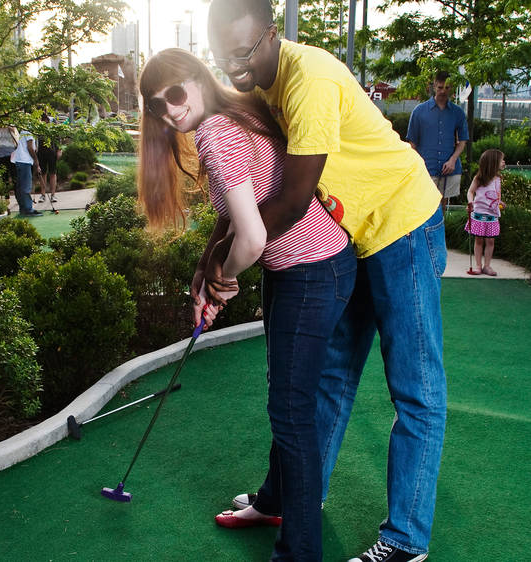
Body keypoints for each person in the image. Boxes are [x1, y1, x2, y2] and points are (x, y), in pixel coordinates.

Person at [205, 2, 447, 561]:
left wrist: (225, 266)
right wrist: (211, 256)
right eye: (222, 56)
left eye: (243, 53)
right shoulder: (261, 85)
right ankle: (288, 498)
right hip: (350, 236)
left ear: (271, 35)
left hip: (400, 223)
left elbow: (289, 202)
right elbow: (250, 187)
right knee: (330, 378)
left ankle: (407, 540)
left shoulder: (307, 78)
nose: (234, 67)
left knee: (415, 389)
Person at [138, 48, 356, 562]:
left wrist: (224, 277)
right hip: (311, 265)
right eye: (154, 106)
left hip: (310, 270)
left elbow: (253, 237)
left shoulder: (215, 132)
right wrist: (206, 266)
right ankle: (274, 501)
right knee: (287, 401)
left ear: (195, 79)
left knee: (291, 411)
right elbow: (241, 208)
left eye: (173, 94)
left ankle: (298, 553)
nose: (168, 111)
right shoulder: (235, 114)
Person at [407, 71, 469, 213]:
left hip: (449, 168)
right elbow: (412, 143)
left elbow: (462, 140)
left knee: (442, 208)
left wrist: (453, 160)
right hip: (427, 167)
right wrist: (420, 164)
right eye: (440, 87)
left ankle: (441, 234)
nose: (443, 91)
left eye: (446, 88)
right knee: (424, 208)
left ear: (451, 88)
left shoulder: (457, 113)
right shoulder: (419, 111)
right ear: (434, 87)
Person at [465, 149, 505, 276]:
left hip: (492, 215)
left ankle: (487, 266)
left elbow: (494, 195)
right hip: (479, 214)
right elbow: (470, 192)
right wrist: (470, 202)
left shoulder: (498, 179)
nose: (504, 162)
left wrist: (499, 201)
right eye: (501, 160)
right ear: (493, 163)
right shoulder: (479, 178)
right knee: (479, 240)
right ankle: (478, 265)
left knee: (490, 241)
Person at [12, 129, 43, 216]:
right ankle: (28, 210)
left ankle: (23, 209)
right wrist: (36, 160)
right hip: (24, 161)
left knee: (20, 187)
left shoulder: (24, 129)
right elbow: (30, 147)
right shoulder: (29, 130)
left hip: (19, 160)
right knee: (26, 186)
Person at [36, 114, 62, 203]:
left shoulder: (53, 121)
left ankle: (53, 195)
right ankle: (43, 195)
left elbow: (58, 136)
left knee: (52, 173)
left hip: (52, 151)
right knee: (42, 173)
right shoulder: (37, 123)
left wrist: (59, 149)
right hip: (41, 152)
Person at [0, 124, 20, 195]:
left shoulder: (11, 126)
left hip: (11, 153)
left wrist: (10, 128)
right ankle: (6, 195)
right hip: (0, 154)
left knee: (14, 175)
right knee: (4, 175)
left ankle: (17, 195)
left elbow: (17, 138)